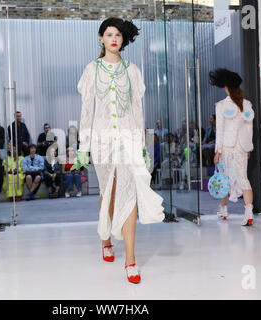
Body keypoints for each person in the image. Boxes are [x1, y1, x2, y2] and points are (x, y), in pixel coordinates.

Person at [71, 18, 165, 284]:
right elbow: (87, 110)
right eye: (109, 34)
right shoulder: (91, 69)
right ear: (101, 38)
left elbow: (138, 110)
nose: (114, 38)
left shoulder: (132, 70)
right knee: (108, 192)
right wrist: (83, 147)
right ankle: (106, 239)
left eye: (118, 35)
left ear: (123, 40)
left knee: (129, 194)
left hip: (128, 140)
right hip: (101, 142)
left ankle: (131, 260)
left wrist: (143, 145)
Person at [210, 68, 255, 227]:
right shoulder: (247, 104)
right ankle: (248, 213)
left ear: (226, 87)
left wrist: (217, 151)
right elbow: (249, 129)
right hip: (242, 147)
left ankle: (223, 210)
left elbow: (220, 130)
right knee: (244, 178)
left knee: (225, 178)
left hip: (227, 148)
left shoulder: (221, 105)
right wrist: (248, 147)